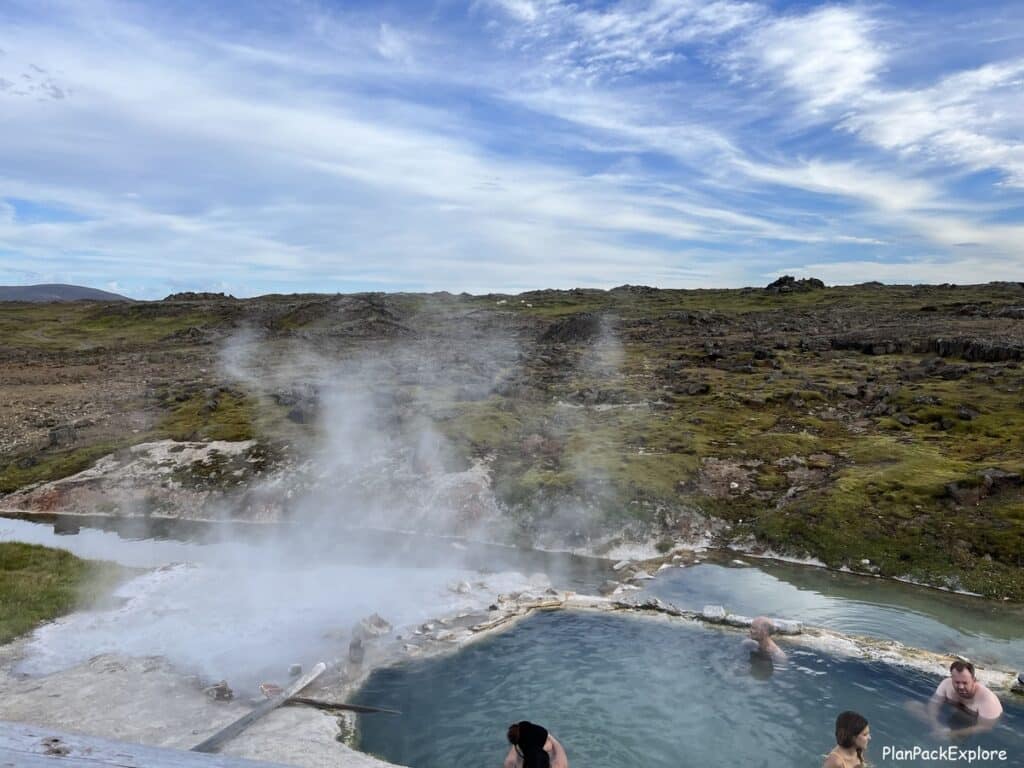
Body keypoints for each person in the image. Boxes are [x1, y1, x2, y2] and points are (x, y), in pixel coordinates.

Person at [916, 659, 1003, 737]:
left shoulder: (987, 699)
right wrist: (935, 724)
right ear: (952, 678)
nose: (960, 686)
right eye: (957, 682)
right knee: (913, 705)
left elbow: (985, 726)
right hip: (951, 716)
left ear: (974, 680)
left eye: (965, 683)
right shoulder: (946, 684)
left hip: (970, 722)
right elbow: (934, 703)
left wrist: (950, 734)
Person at [503, 721, 568, 768]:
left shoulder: (510, 763)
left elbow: (515, 748)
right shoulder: (558, 765)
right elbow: (559, 749)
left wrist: (517, 744)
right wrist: (549, 735)